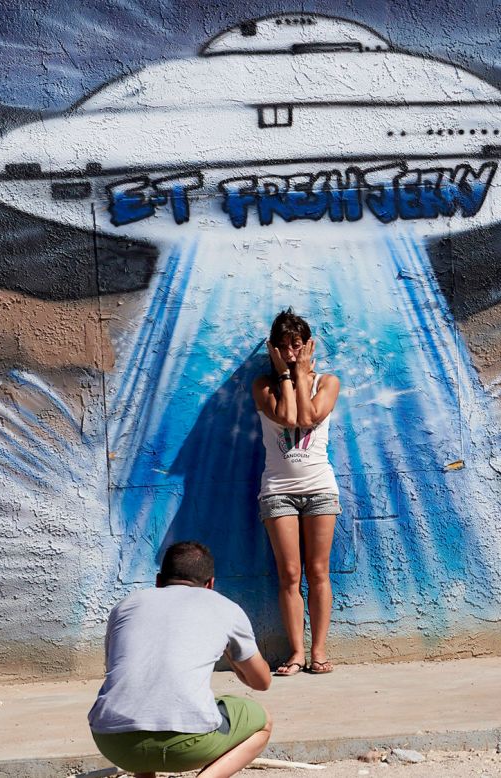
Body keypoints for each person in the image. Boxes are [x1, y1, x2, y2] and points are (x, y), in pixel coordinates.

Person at [88, 541, 273, 778]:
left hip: (113, 742)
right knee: (263, 722)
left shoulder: (125, 605)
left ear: (158, 581)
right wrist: (232, 655)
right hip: (189, 746)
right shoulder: (226, 608)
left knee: (142, 702)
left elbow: (115, 670)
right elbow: (261, 682)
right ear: (210, 585)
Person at [251, 308, 342, 676]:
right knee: (289, 574)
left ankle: (318, 651)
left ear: (308, 345)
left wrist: (303, 376)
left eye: (298, 345)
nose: (291, 351)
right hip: (278, 491)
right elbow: (289, 418)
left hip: (319, 487)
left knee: (318, 571)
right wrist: (289, 376)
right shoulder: (263, 386)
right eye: (284, 346)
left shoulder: (328, 382)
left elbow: (310, 417)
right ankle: (296, 653)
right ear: (273, 348)